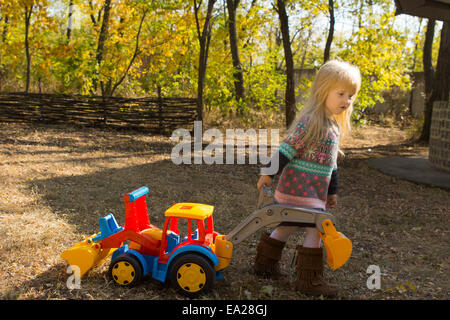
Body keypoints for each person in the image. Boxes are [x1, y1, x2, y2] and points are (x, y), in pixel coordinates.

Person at [255, 59, 361, 297]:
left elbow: (331, 165)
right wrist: (268, 173)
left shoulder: (333, 127)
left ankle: (264, 265)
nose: (347, 100)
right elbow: (286, 149)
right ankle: (308, 280)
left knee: (287, 225)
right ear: (324, 91)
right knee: (317, 227)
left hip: (313, 194)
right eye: (341, 93)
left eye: (351, 96)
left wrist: (331, 191)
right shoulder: (311, 121)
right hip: (297, 191)